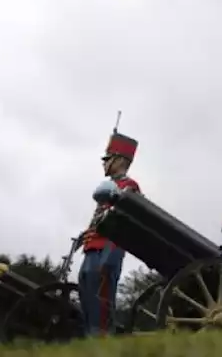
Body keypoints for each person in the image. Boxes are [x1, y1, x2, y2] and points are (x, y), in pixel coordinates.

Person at [77, 130, 141, 337]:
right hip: (91, 248)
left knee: (101, 301)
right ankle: (91, 337)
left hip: (108, 248)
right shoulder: (110, 186)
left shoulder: (128, 186)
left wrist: (111, 253)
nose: (104, 163)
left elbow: (124, 222)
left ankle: (102, 339)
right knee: (87, 297)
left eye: (108, 159)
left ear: (121, 160)